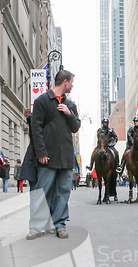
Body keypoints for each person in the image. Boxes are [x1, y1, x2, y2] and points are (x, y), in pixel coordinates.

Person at [28, 69, 81, 240]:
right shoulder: (42, 101)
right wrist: (41, 152)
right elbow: (35, 129)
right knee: (42, 191)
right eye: (71, 82)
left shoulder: (70, 105)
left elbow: (75, 127)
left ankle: (60, 224)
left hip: (66, 157)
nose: (72, 85)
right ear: (65, 81)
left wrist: (68, 113)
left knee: (63, 191)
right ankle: (36, 226)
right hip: (47, 156)